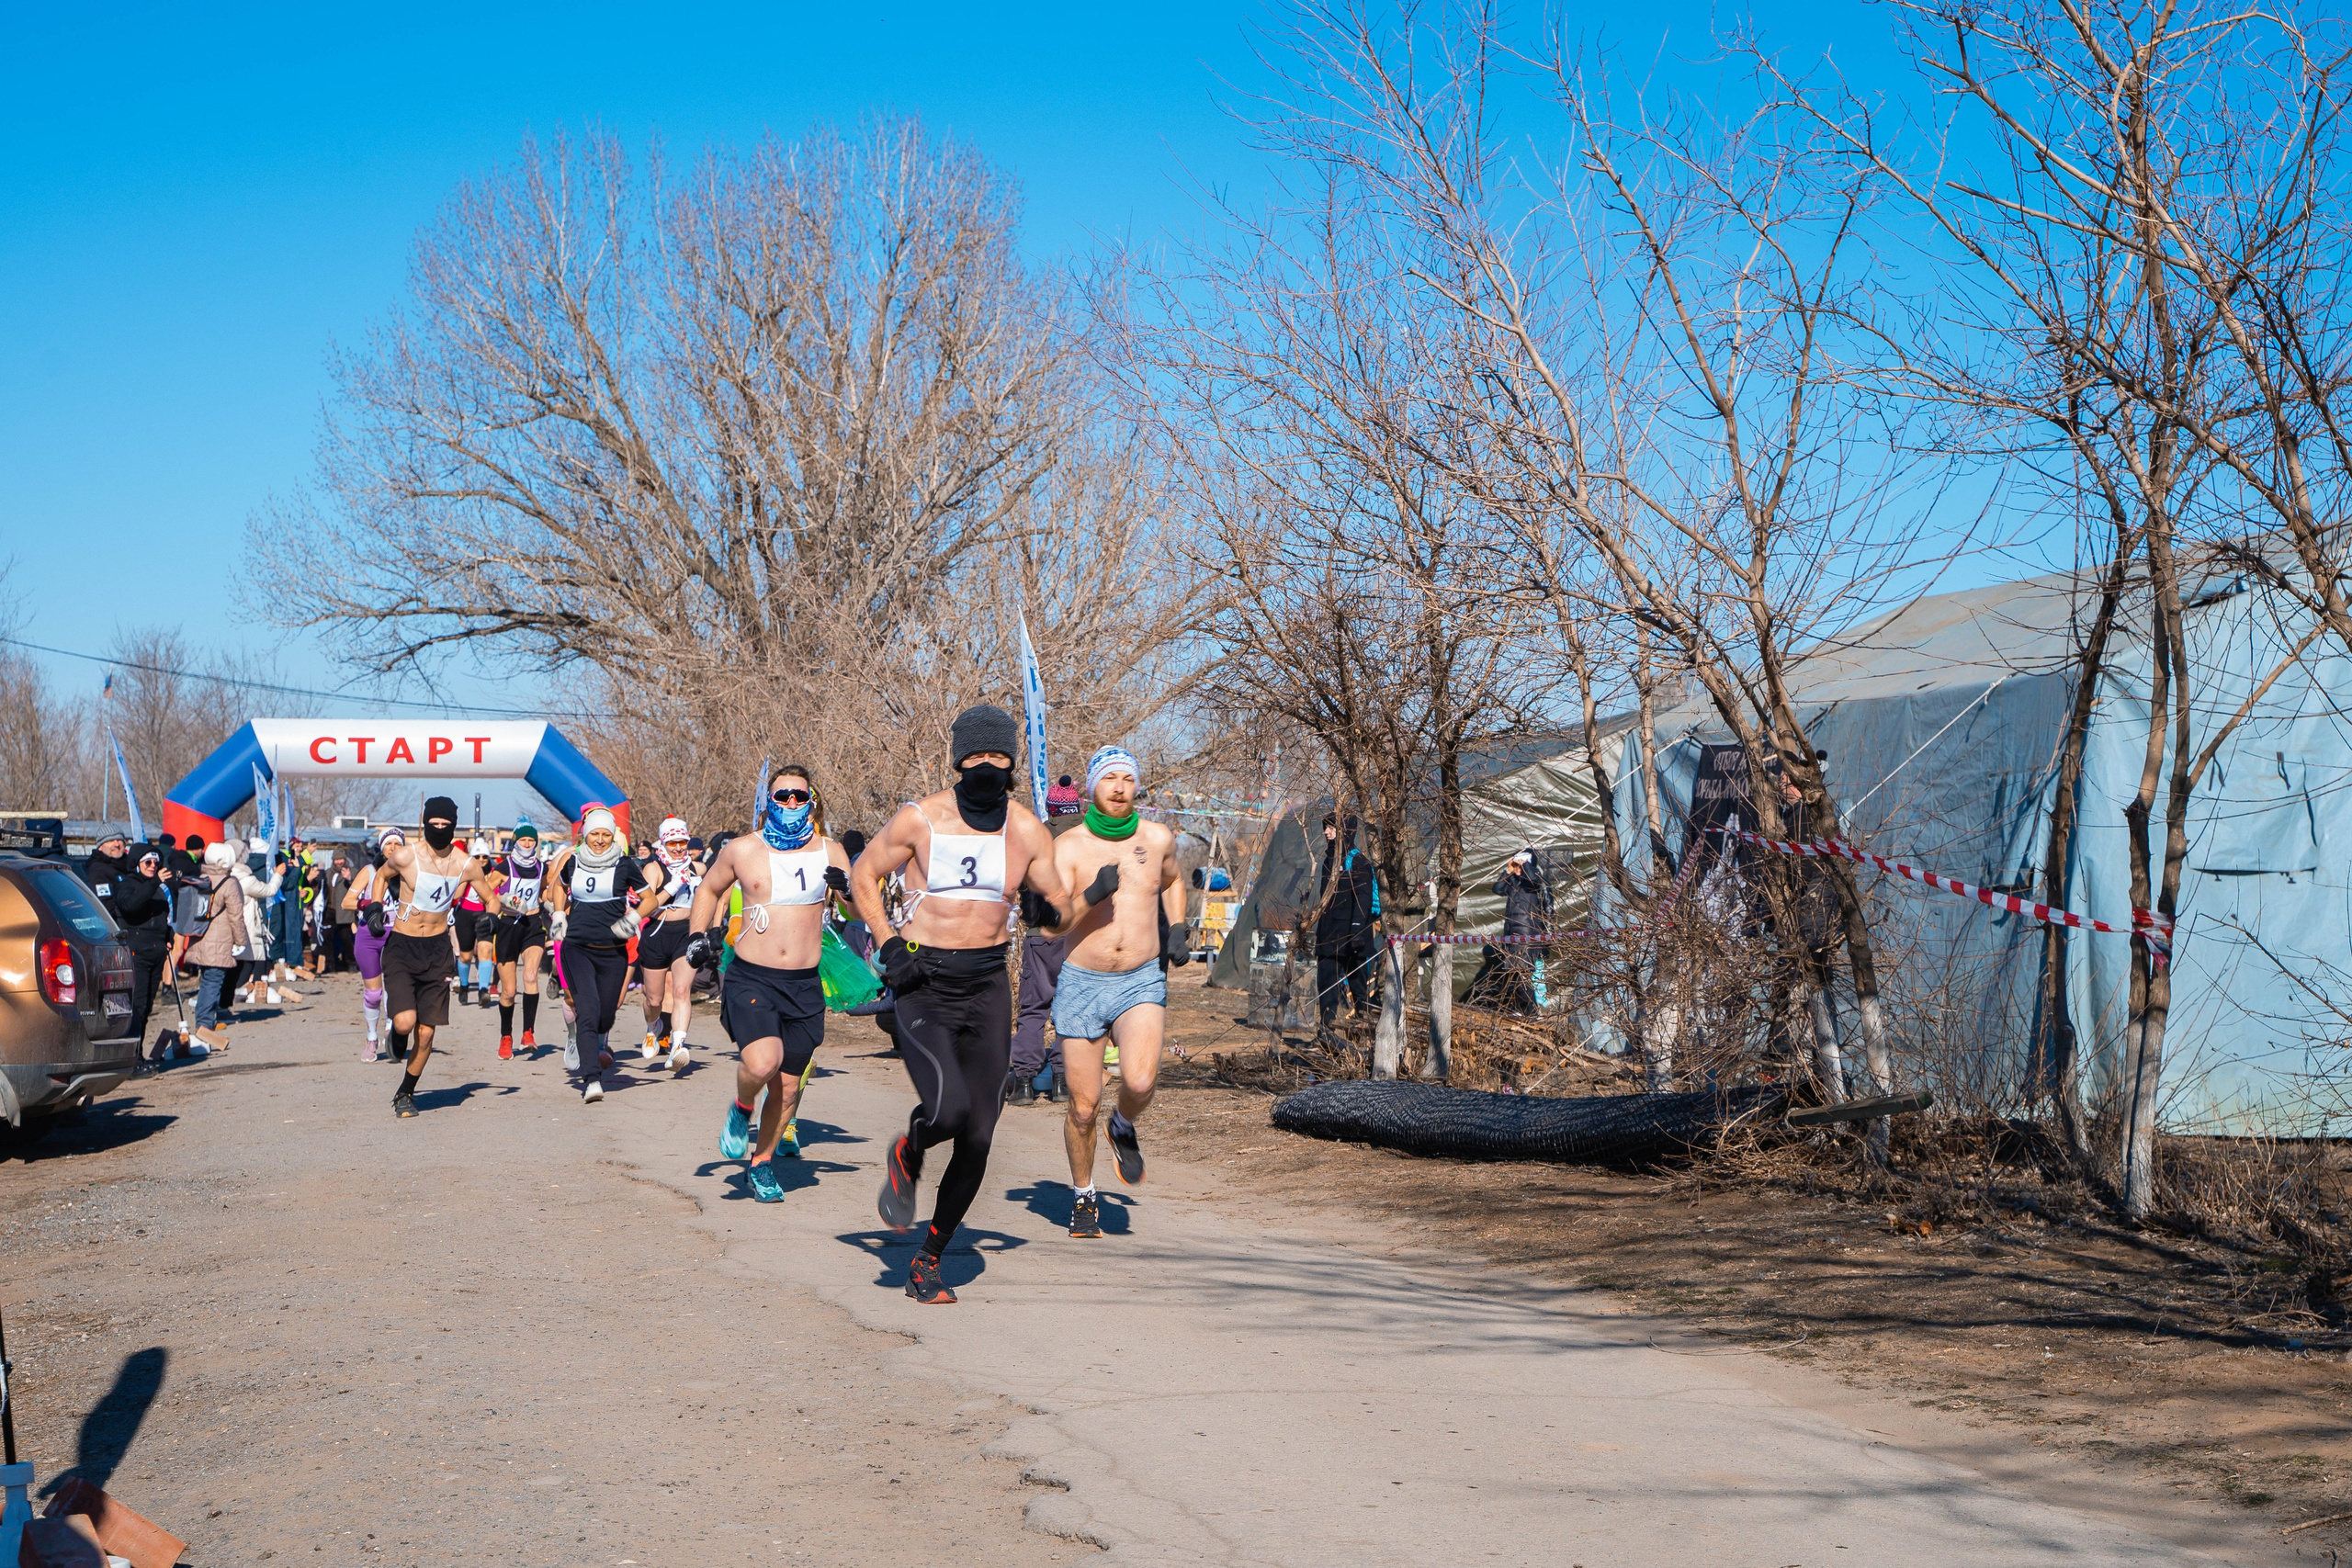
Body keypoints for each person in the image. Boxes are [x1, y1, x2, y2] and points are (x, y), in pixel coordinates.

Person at [848, 705, 1071, 1303]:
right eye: (976, 756)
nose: (987, 766)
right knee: (946, 1111)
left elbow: (1060, 905)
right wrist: (889, 944)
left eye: (999, 757)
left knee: (979, 1133)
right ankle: (910, 1146)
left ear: (1012, 762)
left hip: (988, 984)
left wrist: (1051, 911)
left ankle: (928, 1258)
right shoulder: (923, 818)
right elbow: (862, 875)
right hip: (923, 979)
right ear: (958, 759)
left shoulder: (1026, 829)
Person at [688, 767, 852, 1201]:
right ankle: (742, 1109)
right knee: (763, 1063)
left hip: (803, 984)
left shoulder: (831, 852)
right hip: (752, 976)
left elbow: (854, 912)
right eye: (784, 796)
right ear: (769, 800)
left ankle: (760, 1165)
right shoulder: (744, 849)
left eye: (801, 796)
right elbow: (707, 890)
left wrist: (847, 891)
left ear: (812, 800)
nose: (792, 804)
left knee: (789, 1086)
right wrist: (696, 935)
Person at [1045, 747, 1188, 1238]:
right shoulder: (1069, 847)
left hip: (1140, 977)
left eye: (1128, 778)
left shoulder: (1157, 837)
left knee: (1142, 1081)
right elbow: (1050, 927)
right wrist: (1091, 895)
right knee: (1083, 1107)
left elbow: (1171, 880)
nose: (1120, 786)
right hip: (1084, 982)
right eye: (1110, 778)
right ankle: (1084, 1196)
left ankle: (1124, 1125)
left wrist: (1180, 927)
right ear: (1092, 787)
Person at [376, 797, 503, 1117]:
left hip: (436, 951)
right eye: (435, 824)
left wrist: (492, 918)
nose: (440, 830)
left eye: (447, 825)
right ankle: (396, 1032)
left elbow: (492, 900)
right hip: (403, 947)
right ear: (425, 823)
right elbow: (380, 877)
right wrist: (374, 908)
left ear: (454, 826)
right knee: (405, 1022)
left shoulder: (467, 864)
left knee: (428, 1031)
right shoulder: (406, 856)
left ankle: (405, 1092)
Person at [545, 807, 666, 1105]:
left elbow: (650, 900)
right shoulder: (573, 862)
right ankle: (591, 1080)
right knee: (588, 1010)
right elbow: (559, 887)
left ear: (613, 837)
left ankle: (583, 1035)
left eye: (605, 835)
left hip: (612, 951)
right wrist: (559, 915)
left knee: (606, 1015)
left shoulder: (624, 865)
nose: (599, 840)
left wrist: (633, 919)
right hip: (577, 949)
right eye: (594, 834)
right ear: (586, 835)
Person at [636, 816, 701, 1072]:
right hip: (657, 933)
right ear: (663, 842)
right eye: (672, 842)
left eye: (682, 842)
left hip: (685, 931)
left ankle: (678, 1045)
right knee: (654, 999)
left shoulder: (698, 868)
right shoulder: (653, 869)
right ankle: (653, 1027)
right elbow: (646, 906)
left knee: (682, 991)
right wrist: (673, 885)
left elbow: (718, 890)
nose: (678, 848)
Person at [1315, 813, 1382, 1033]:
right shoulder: (1328, 861)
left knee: (1360, 991)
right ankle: (1327, 1036)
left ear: (1344, 830)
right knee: (1327, 989)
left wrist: (1356, 932)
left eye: (1331, 827)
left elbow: (1362, 900)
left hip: (1354, 940)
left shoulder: (1357, 861)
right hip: (1328, 940)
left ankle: (1364, 1034)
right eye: (1325, 827)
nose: (1326, 832)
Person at [492, 823, 551, 1060]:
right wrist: (506, 899)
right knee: (508, 991)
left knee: (530, 976)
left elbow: (544, 891)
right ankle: (506, 1036)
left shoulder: (541, 867)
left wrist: (553, 901)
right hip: (507, 926)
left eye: (531, 841)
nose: (527, 845)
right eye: (523, 841)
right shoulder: (503, 867)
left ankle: (528, 1033)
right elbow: (488, 893)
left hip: (533, 925)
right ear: (515, 842)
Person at [109, 842, 175, 1056]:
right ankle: (131, 1058)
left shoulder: (157, 889)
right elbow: (131, 905)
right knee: (136, 1006)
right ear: (137, 864)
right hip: (136, 953)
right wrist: (155, 882)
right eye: (148, 862)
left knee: (146, 1007)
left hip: (155, 951)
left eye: (156, 862)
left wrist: (168, 935)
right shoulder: (127, 885)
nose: (153, 866)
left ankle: (138, 1054)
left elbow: (162, 916)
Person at [343, 829, 402, 1061]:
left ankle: (390, 1030)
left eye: (398, 844)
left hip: (396, 934)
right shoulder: (369, 871)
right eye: (390, 844)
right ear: (382, 847)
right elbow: (347, 901)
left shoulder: (407, 874)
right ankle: (371, 1038)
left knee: (393, 986)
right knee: (374, 993)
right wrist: (370, 904)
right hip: (369, 934)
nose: (394, 849)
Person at [185, 840, 248, 1052]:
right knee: (213, 982)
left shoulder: (201, 878)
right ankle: (204, 1024)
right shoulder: (229, 883)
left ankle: (204, 1021)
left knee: (206, 981)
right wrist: (241, 941)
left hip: (199, 938)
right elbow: (236, 916)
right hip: (219, 941)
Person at [1490, 847, 1552, 1014]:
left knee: (1523, 977)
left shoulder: (1535, 882)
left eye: (1520, 865)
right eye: (1516, 866)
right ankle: (1523, 1010)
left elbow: (1533, 880)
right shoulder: (1514, 883)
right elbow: (1497, 889)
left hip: (1528, 937)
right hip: (1512, 937)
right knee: (1516, 977)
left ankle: (1531, 1012)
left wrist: (1524, 865)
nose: (1517, 869)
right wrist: (1508, 870)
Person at [453, 841, 492, 1006]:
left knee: (485, 950)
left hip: (484, 914)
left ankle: (484, 990)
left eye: (484, 857)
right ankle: (463, 985)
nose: (481, 860)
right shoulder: (465, 872)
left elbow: (493, 897)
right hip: (465, 915)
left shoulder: (492, 874)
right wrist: (466, 877)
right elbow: (456, 895)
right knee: (466, 955)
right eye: (477, 857)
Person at [324, 853, 356, 974]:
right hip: (330, 909)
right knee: (328, 938)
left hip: (345, 911)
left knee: (346, 938)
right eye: (337, 859)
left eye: (341, 859)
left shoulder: (352, 871)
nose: (339, 862)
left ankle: (351, 963)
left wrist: (349, 879)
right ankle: (330, 964)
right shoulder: (329, 873)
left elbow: (357, 888)